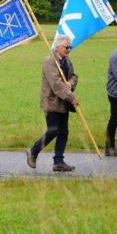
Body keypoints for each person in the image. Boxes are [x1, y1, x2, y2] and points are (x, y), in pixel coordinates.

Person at [26, 36, 78, 172]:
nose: (69, 50)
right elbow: (55, 84)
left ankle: (58, 161)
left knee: (64, 132)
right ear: (58, 47)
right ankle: (33, 152)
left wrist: (70, 84)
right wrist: (71, 97)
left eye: (70, 47)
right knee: (53, 130)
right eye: (67, 47)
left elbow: (74, 76)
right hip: (52, 101)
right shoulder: (49, 61)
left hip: (64, 101)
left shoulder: (67, 60)